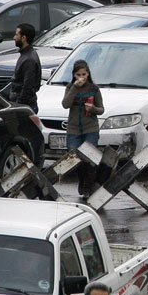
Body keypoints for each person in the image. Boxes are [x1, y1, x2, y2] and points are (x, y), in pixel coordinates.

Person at [62, 60, 105, 196]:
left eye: (84, 74)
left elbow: (101, 109)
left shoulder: (94, 89)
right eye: (78, 74)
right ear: (74, 75)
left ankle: (88, 186)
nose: (81, 77)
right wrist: (75, 87)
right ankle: (82, 179)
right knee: (74, 157)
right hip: (74, 129)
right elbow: (65, 104)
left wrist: (93, 109)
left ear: (88, 74)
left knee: (89, 157)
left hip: (90, 128)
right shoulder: (70, 87)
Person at [8, 23, 41, 113]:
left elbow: (28, 87)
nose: (14, 37)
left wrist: (19, 106)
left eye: (16, 35)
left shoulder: (29, 59)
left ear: (23, 38)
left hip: (25, 107)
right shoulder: (26, 55)